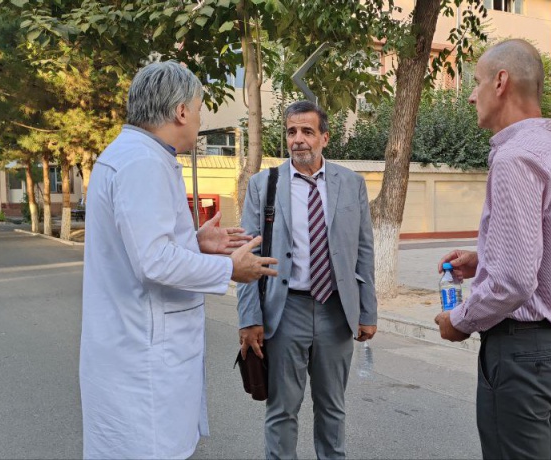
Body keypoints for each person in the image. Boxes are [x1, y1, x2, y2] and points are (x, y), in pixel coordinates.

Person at [80, 61, 279, 460]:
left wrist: (194, 240)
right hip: (143, 358)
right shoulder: (142, 164)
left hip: (134, 348)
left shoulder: (135, 155)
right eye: (200, 108)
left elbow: (142, 244)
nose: (200, 118)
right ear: (181, 111)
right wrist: (229, 268)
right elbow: (153, 261)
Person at [433, 39, 551, 459]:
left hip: (524, 356)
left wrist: (460, 320)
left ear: (501, 82)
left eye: (477, 81)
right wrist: (483, 260)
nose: (471, 94)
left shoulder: (515, 158)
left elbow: (514, 282)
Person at [237, 100, 377, 459]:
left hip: (336, 311)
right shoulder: (264, 185)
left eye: (307, 131)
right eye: (291, 131)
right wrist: (249, 318)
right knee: (282, 410)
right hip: (285, 313)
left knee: (332, 408)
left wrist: (368, 312)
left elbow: (364, 250)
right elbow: (246, 257)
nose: (298, 139)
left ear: (325, 138)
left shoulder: (351, 183)